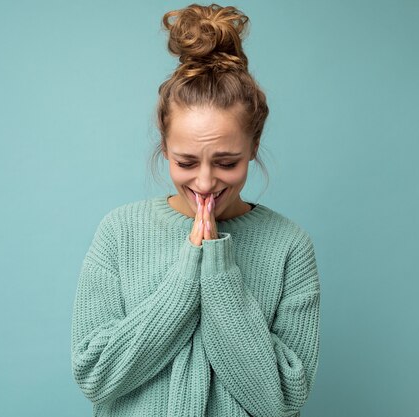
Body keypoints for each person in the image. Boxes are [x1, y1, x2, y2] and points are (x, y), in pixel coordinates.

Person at [71, 4, 320, 416]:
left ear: (254, 148)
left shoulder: (289, 246)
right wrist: (189, 270)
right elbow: (97, 375)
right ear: (164, 148)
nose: (205, 183)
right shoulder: (119, 232)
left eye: (226, 162)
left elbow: (279, 401)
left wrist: (218, 270)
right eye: (186, 162)